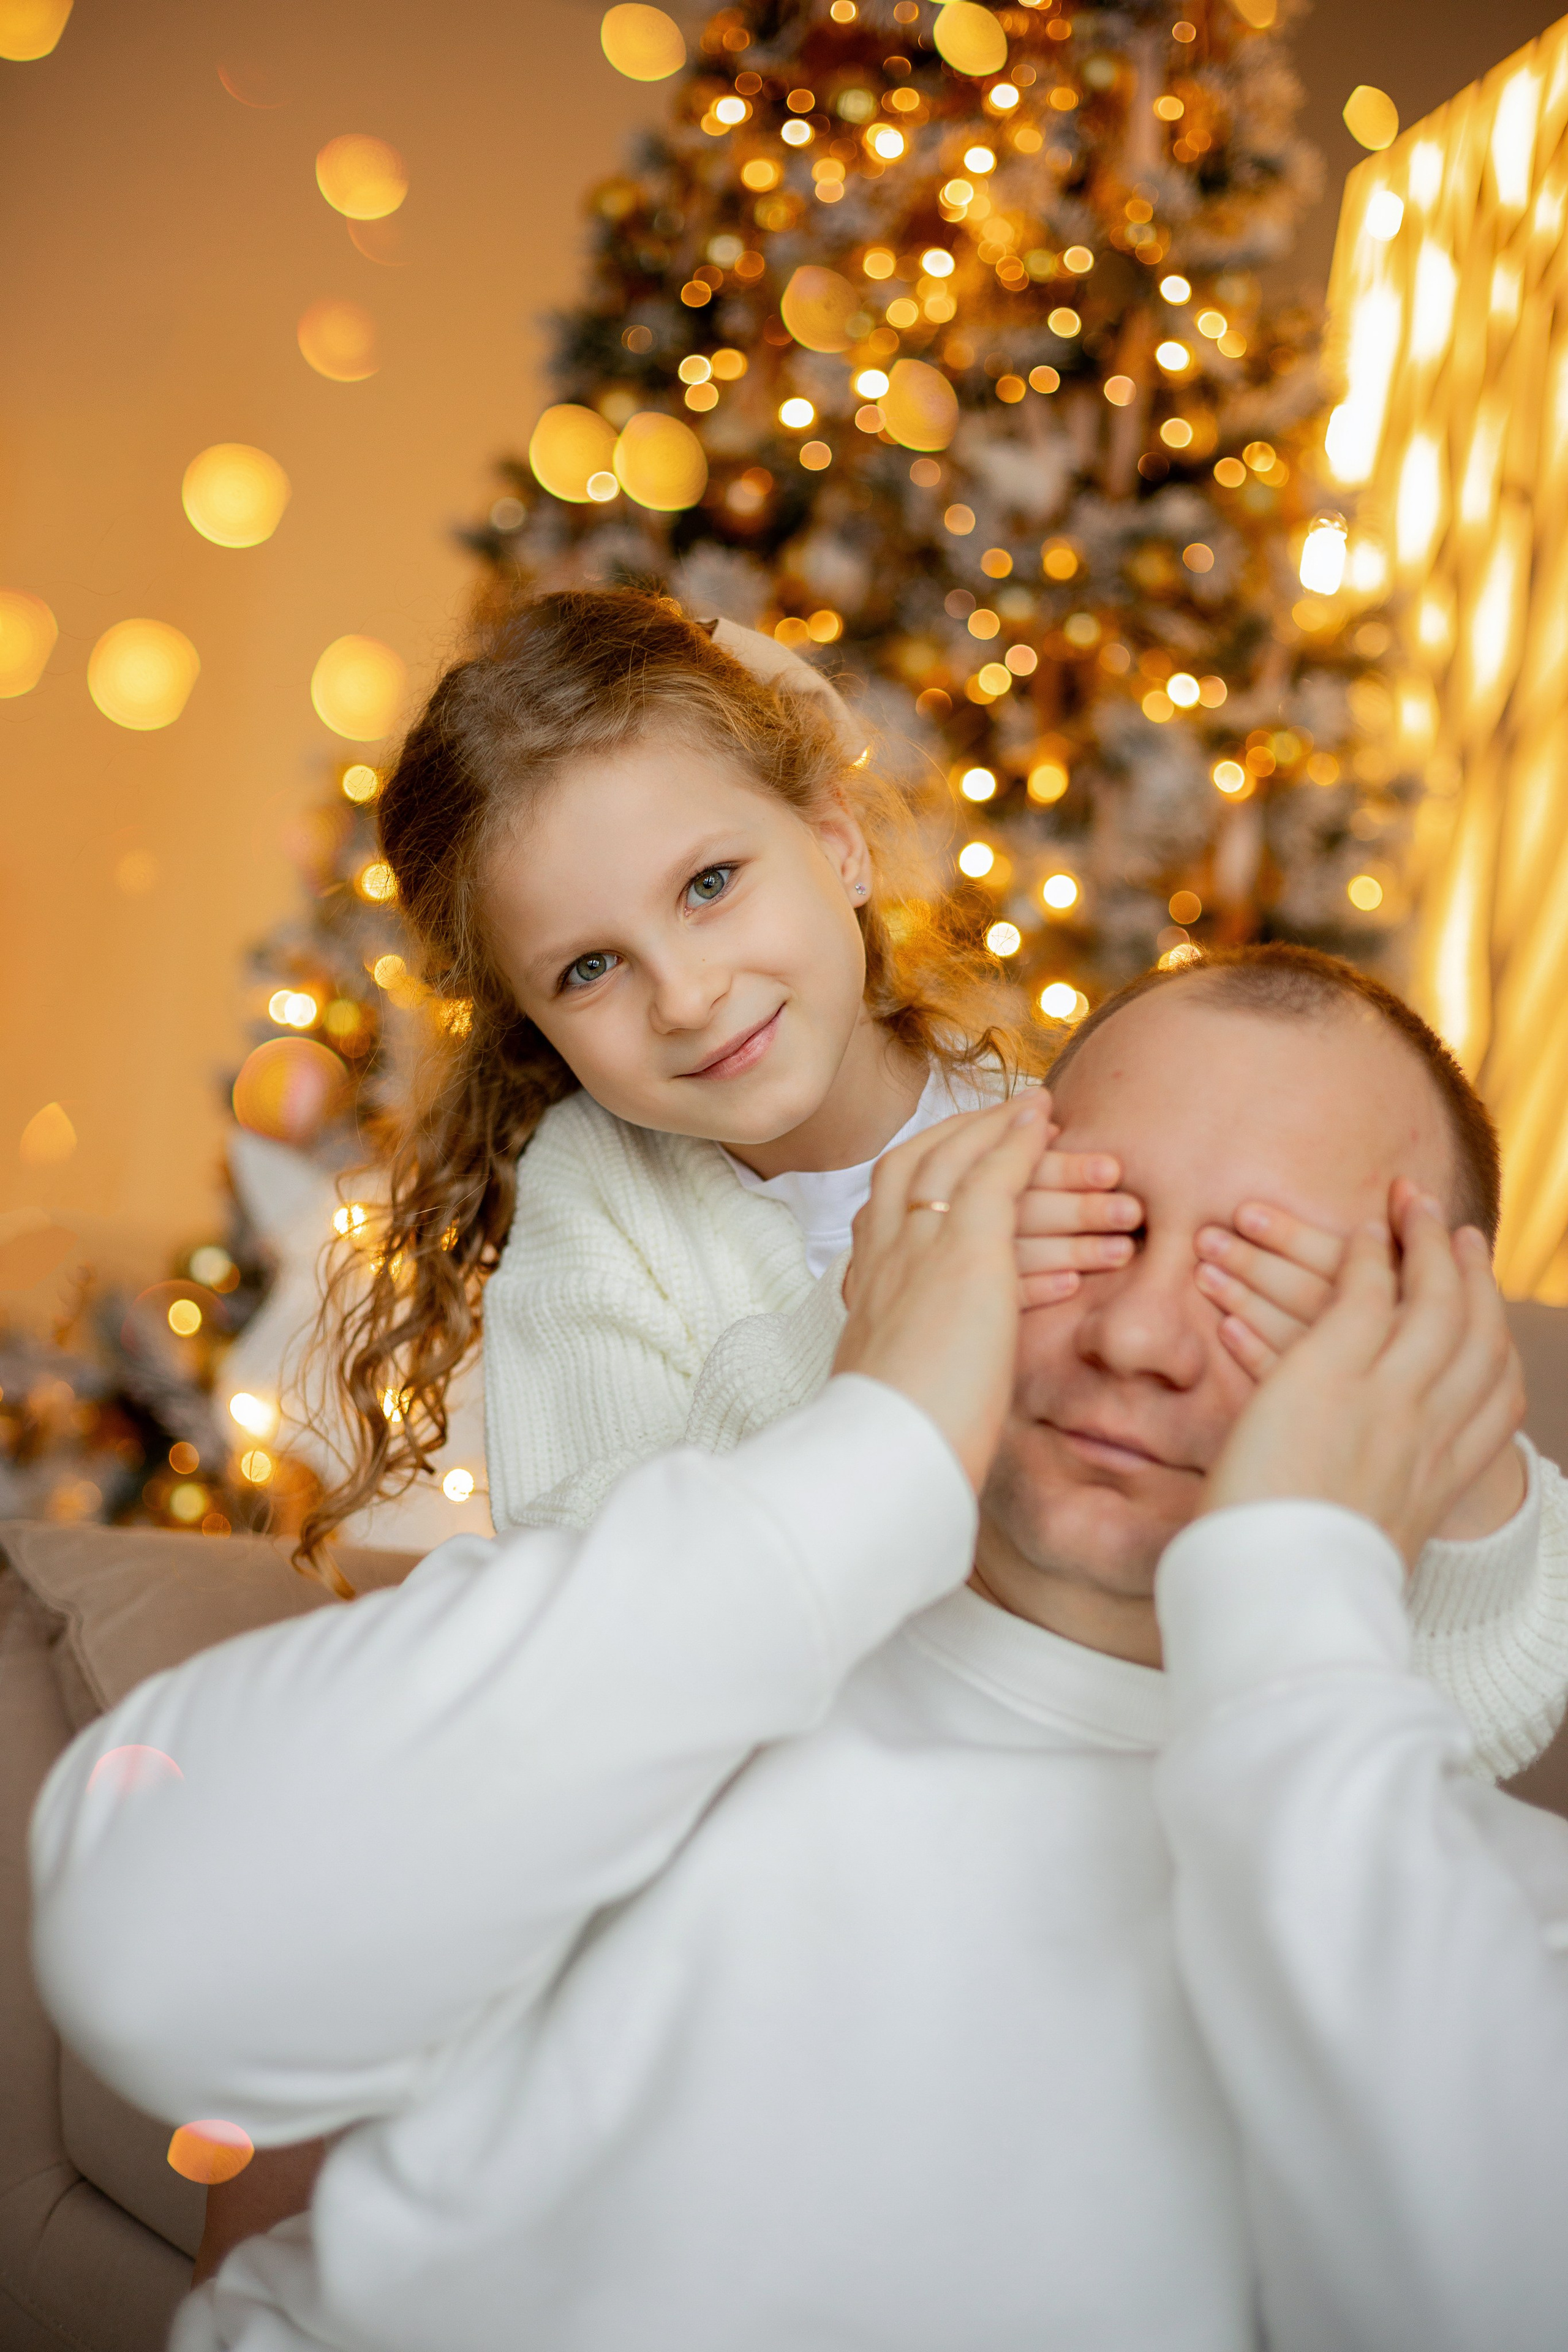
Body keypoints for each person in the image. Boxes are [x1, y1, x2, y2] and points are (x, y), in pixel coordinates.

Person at [28, 1024, 1568, 2352]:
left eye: (1268, 1284)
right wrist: (882, 1437)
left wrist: (1300, 1586)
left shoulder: (1496, 1920)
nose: (1143, 1335)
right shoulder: (657, 1637)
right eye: (1092, 1225)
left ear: (1426, 1374)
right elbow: (153, 1965)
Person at [298, 586, 1144, 1559]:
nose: (686, 997)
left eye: (709, 886)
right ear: (532, 1022)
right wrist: (887, 1300)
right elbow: (589, 1567)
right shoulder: (598, 1196)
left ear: (839, 846)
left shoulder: (1055, 1136)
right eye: (589, 968)